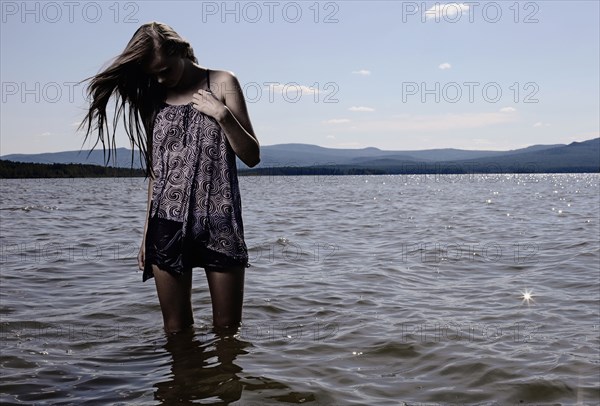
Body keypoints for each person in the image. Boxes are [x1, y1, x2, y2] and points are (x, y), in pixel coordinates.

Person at [79, 22, 260, 334]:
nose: (161, 78)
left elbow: (252, 155)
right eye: (154, 74)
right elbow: (156, 171)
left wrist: (222, 114)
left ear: (178, 51)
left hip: (218, 221)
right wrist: (146, 235)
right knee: (175, 332)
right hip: (167, 224)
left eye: (164, 69)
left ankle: (217, 384)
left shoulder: (222, 82)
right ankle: (181, 383)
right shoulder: (154, 97)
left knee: (227, 332)